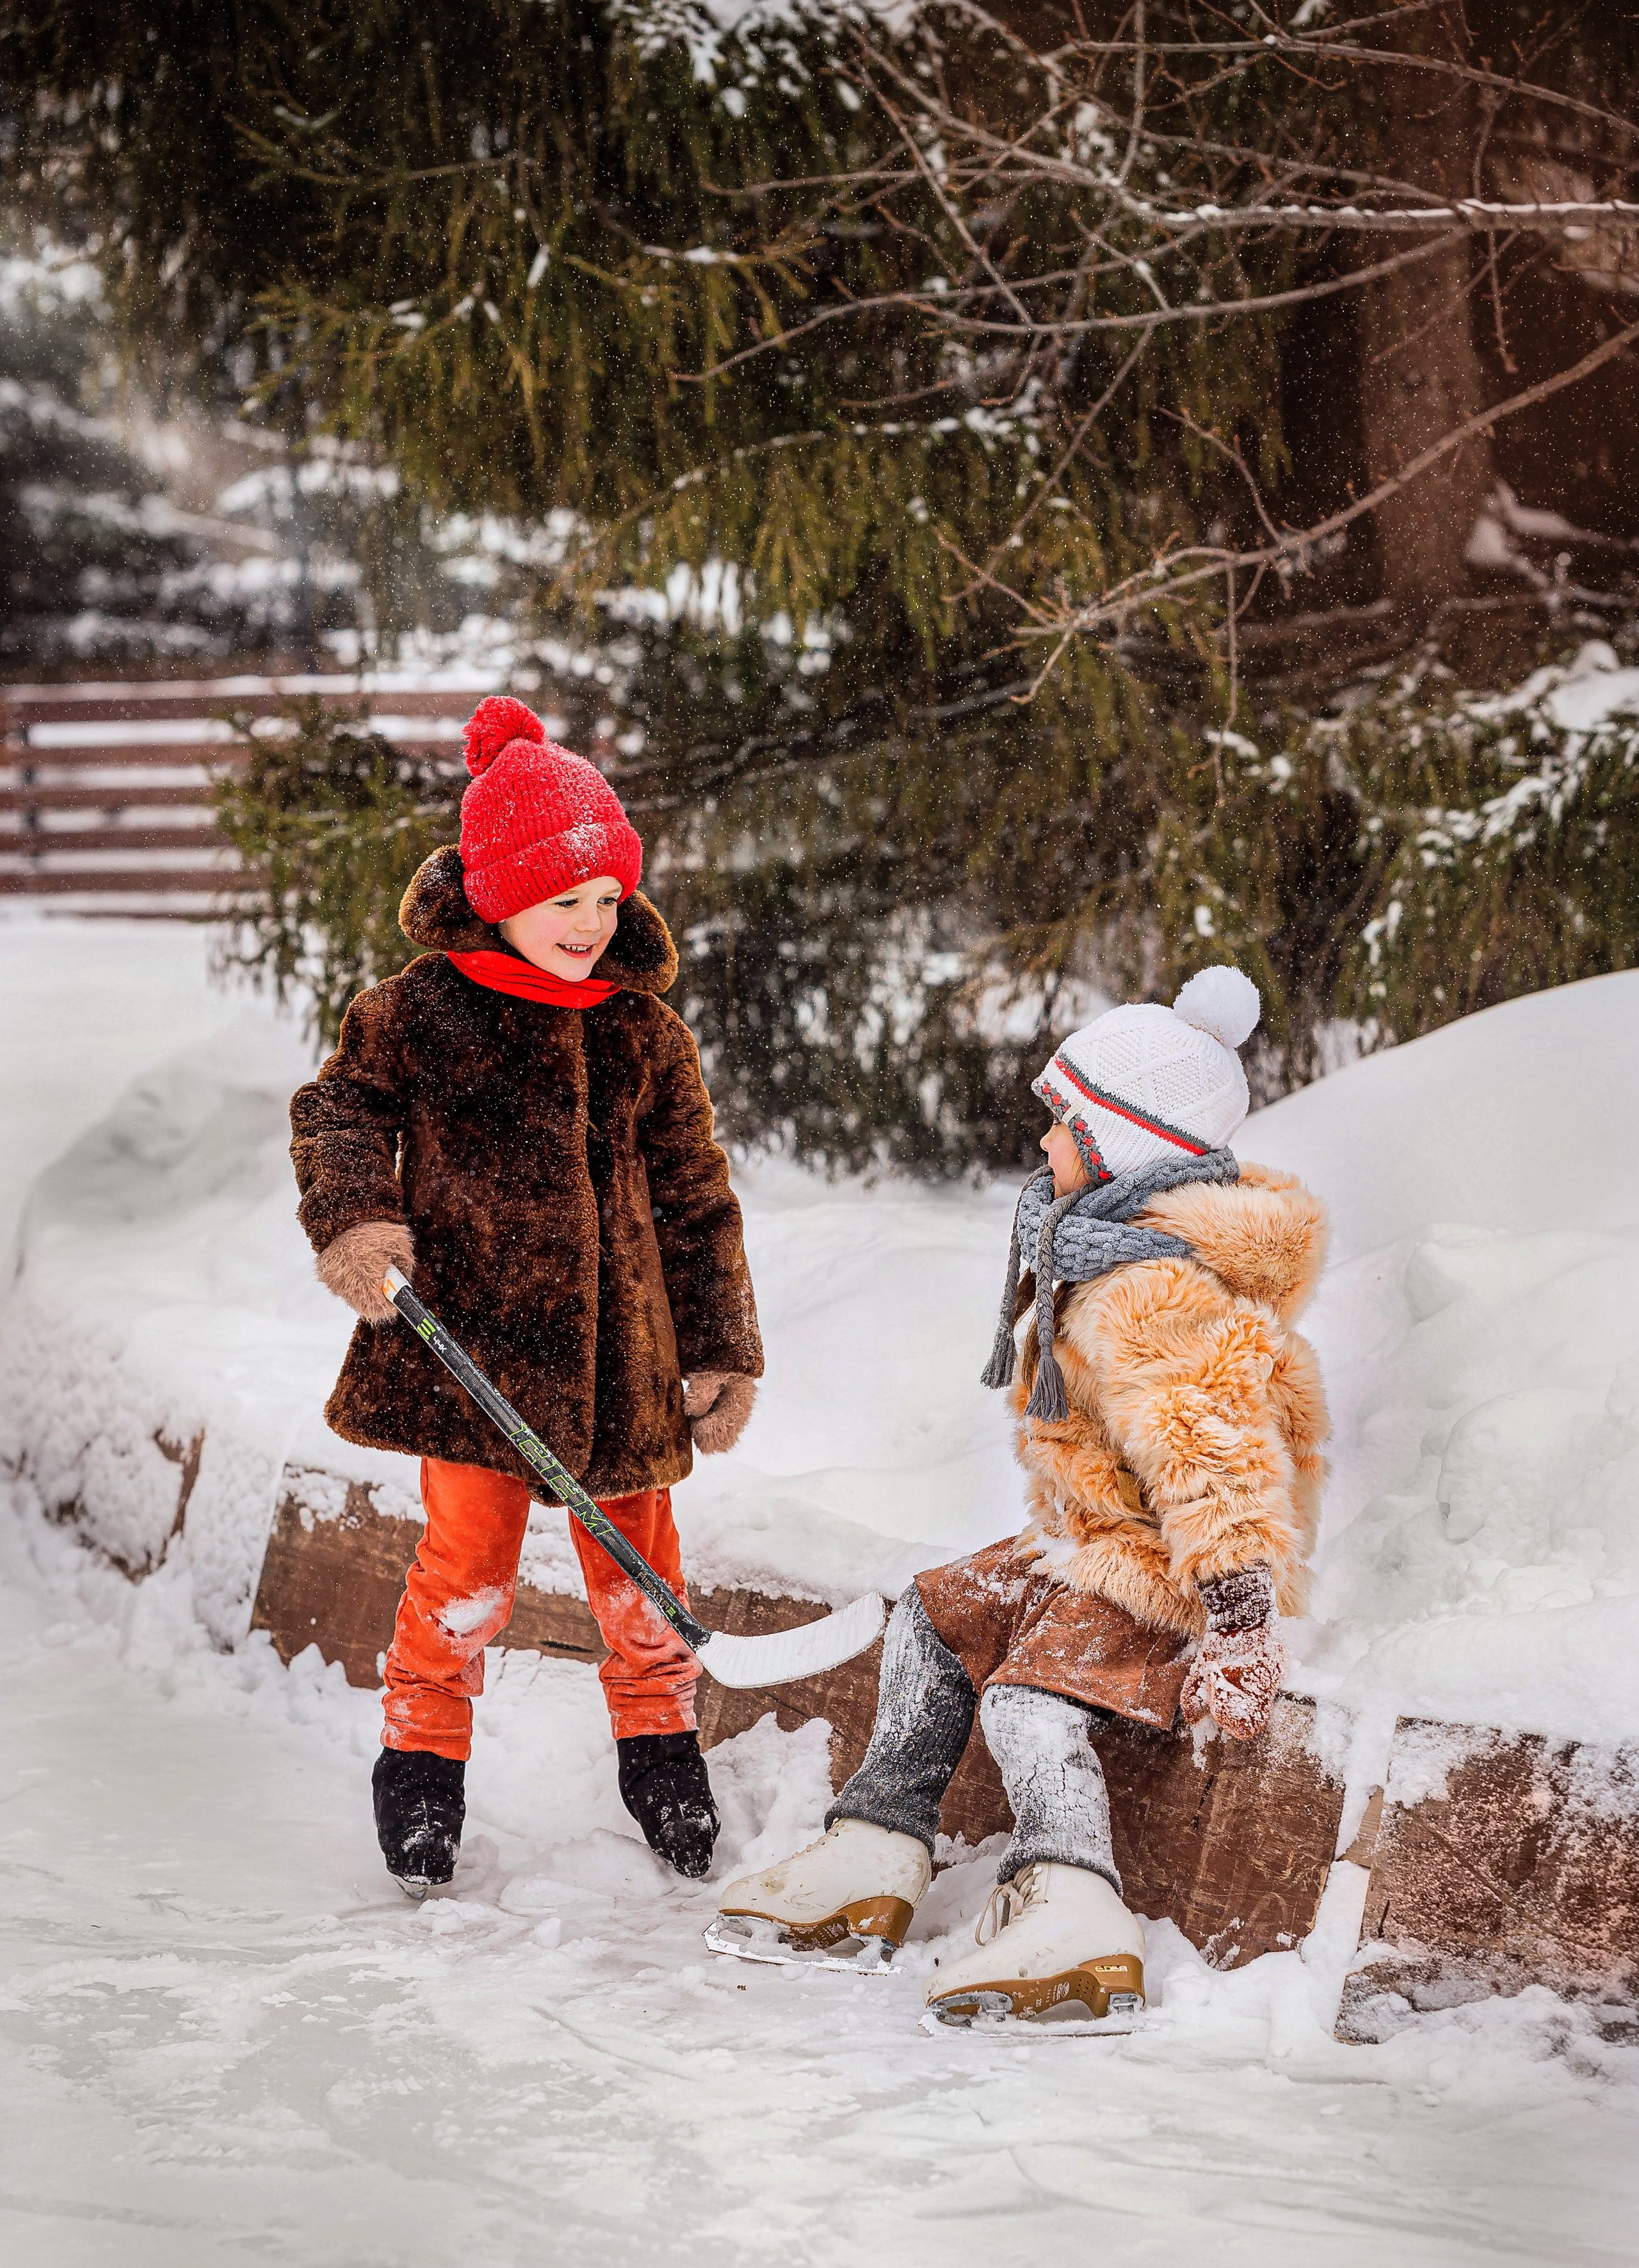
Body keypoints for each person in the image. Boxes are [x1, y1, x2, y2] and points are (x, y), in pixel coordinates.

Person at [711, 968, 1328, 2029]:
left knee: (1026, 1700)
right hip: (1090, 1537)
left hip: (1171, 1570)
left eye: (1063, 1125)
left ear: (1129, 1145)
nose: (1043, 1145)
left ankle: (1074, 1903)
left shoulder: (1154, 1289)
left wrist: (1239, 1617)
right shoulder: (1107, 1250)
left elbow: (1214, 1457)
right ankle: (876, 1849)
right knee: (932, 1613)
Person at [289, 694, 763, 1897]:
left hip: (626, 1363)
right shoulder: (417, 1012)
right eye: (568, 902)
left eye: (609, 901)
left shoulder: (645, 1035)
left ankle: (662, 1758)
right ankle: (422, 1769)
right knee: (467, 1571)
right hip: (475, 1354)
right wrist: (356, 1224)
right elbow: (338, 1111)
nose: (595, 926)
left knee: (643, 1578)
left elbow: (698, 1196)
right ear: (498, 892)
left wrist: (719, 1347)